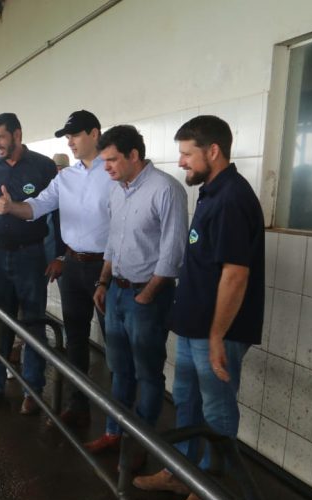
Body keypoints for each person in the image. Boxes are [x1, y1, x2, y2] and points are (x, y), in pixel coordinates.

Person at [133, 115, 265, 500]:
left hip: (216, 335)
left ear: (213, 151)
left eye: (187, 154)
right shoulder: (211, 192)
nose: (182, 162)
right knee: (187, 403)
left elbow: (235, 274)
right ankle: (180, 475)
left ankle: (212, 497)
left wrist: (217, 337)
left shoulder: (231, 198)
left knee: (217, 413)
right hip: (194, 328)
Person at [0, 110, 114, 428]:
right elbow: (38, 207)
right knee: (75, 338)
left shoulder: (114, 174)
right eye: (67, 137)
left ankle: (121, 423)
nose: (70, 142)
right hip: (74, 264)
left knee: (115, 344)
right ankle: (78, 405)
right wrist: (12, 208)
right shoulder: (67, 177)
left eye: (75, 135)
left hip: (108, 267)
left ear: (94, 133)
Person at [88, 125, 188, 457]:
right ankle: (115, 432)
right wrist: (103, 282)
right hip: (116, 291)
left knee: (147, 372)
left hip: (148, 295)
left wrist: (148, 294)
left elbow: (173, 253)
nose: (107, 168)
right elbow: (112, 244)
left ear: (134, 155)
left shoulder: (166, 190)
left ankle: (141, 443)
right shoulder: (118, 190)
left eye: (112, 160)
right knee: (119, 368)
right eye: (104, 161)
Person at [0, 112, 62, 414]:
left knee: (32, 323)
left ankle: (32, 391)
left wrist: (58, 254)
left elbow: (57, 212)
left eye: (1, 137)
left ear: (17, 135)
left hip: (30, 255)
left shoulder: (43, 167)